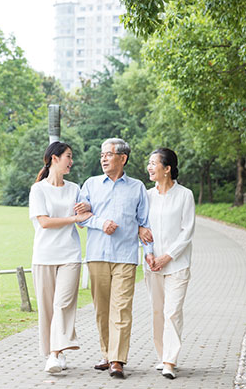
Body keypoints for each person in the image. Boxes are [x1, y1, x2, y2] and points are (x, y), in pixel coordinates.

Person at [77, 138, 150, 379]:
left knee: (121, 308)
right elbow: (81, 215)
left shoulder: (137, 187)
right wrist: (100, 223)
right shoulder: (90, 184)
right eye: (102, 155)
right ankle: (107, 354)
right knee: (102, 309)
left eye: (108, 154)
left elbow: (145, 222)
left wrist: (144, 239)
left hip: (126, 256)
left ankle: (118, 360)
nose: (104, 159)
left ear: (123, 158)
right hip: (97, 254)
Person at [28, 141, 92, 373]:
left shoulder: (75, 188)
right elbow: (44, 222)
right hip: (44, 256)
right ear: (54, 158)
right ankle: (54, 353)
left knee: (62, 304)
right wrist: (73, 219)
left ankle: (55, 354)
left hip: (70, 255)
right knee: (47, 308)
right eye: (68, 156)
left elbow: (83, 220)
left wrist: (86, 210)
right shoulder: (38, 189)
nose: (71, 161)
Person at [140, 148, 195, 380]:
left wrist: (167, 256)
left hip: (177, 265)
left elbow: (187, 232)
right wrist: (150, 254)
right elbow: (143, 228)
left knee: (172, 312)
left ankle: (170, 361)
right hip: (152, 265)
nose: (150, 168)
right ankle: (162, 356)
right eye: (149, 163)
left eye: (154, 163)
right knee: (157, 312)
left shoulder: (185, 195)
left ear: (167, 168)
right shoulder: (147, 196)